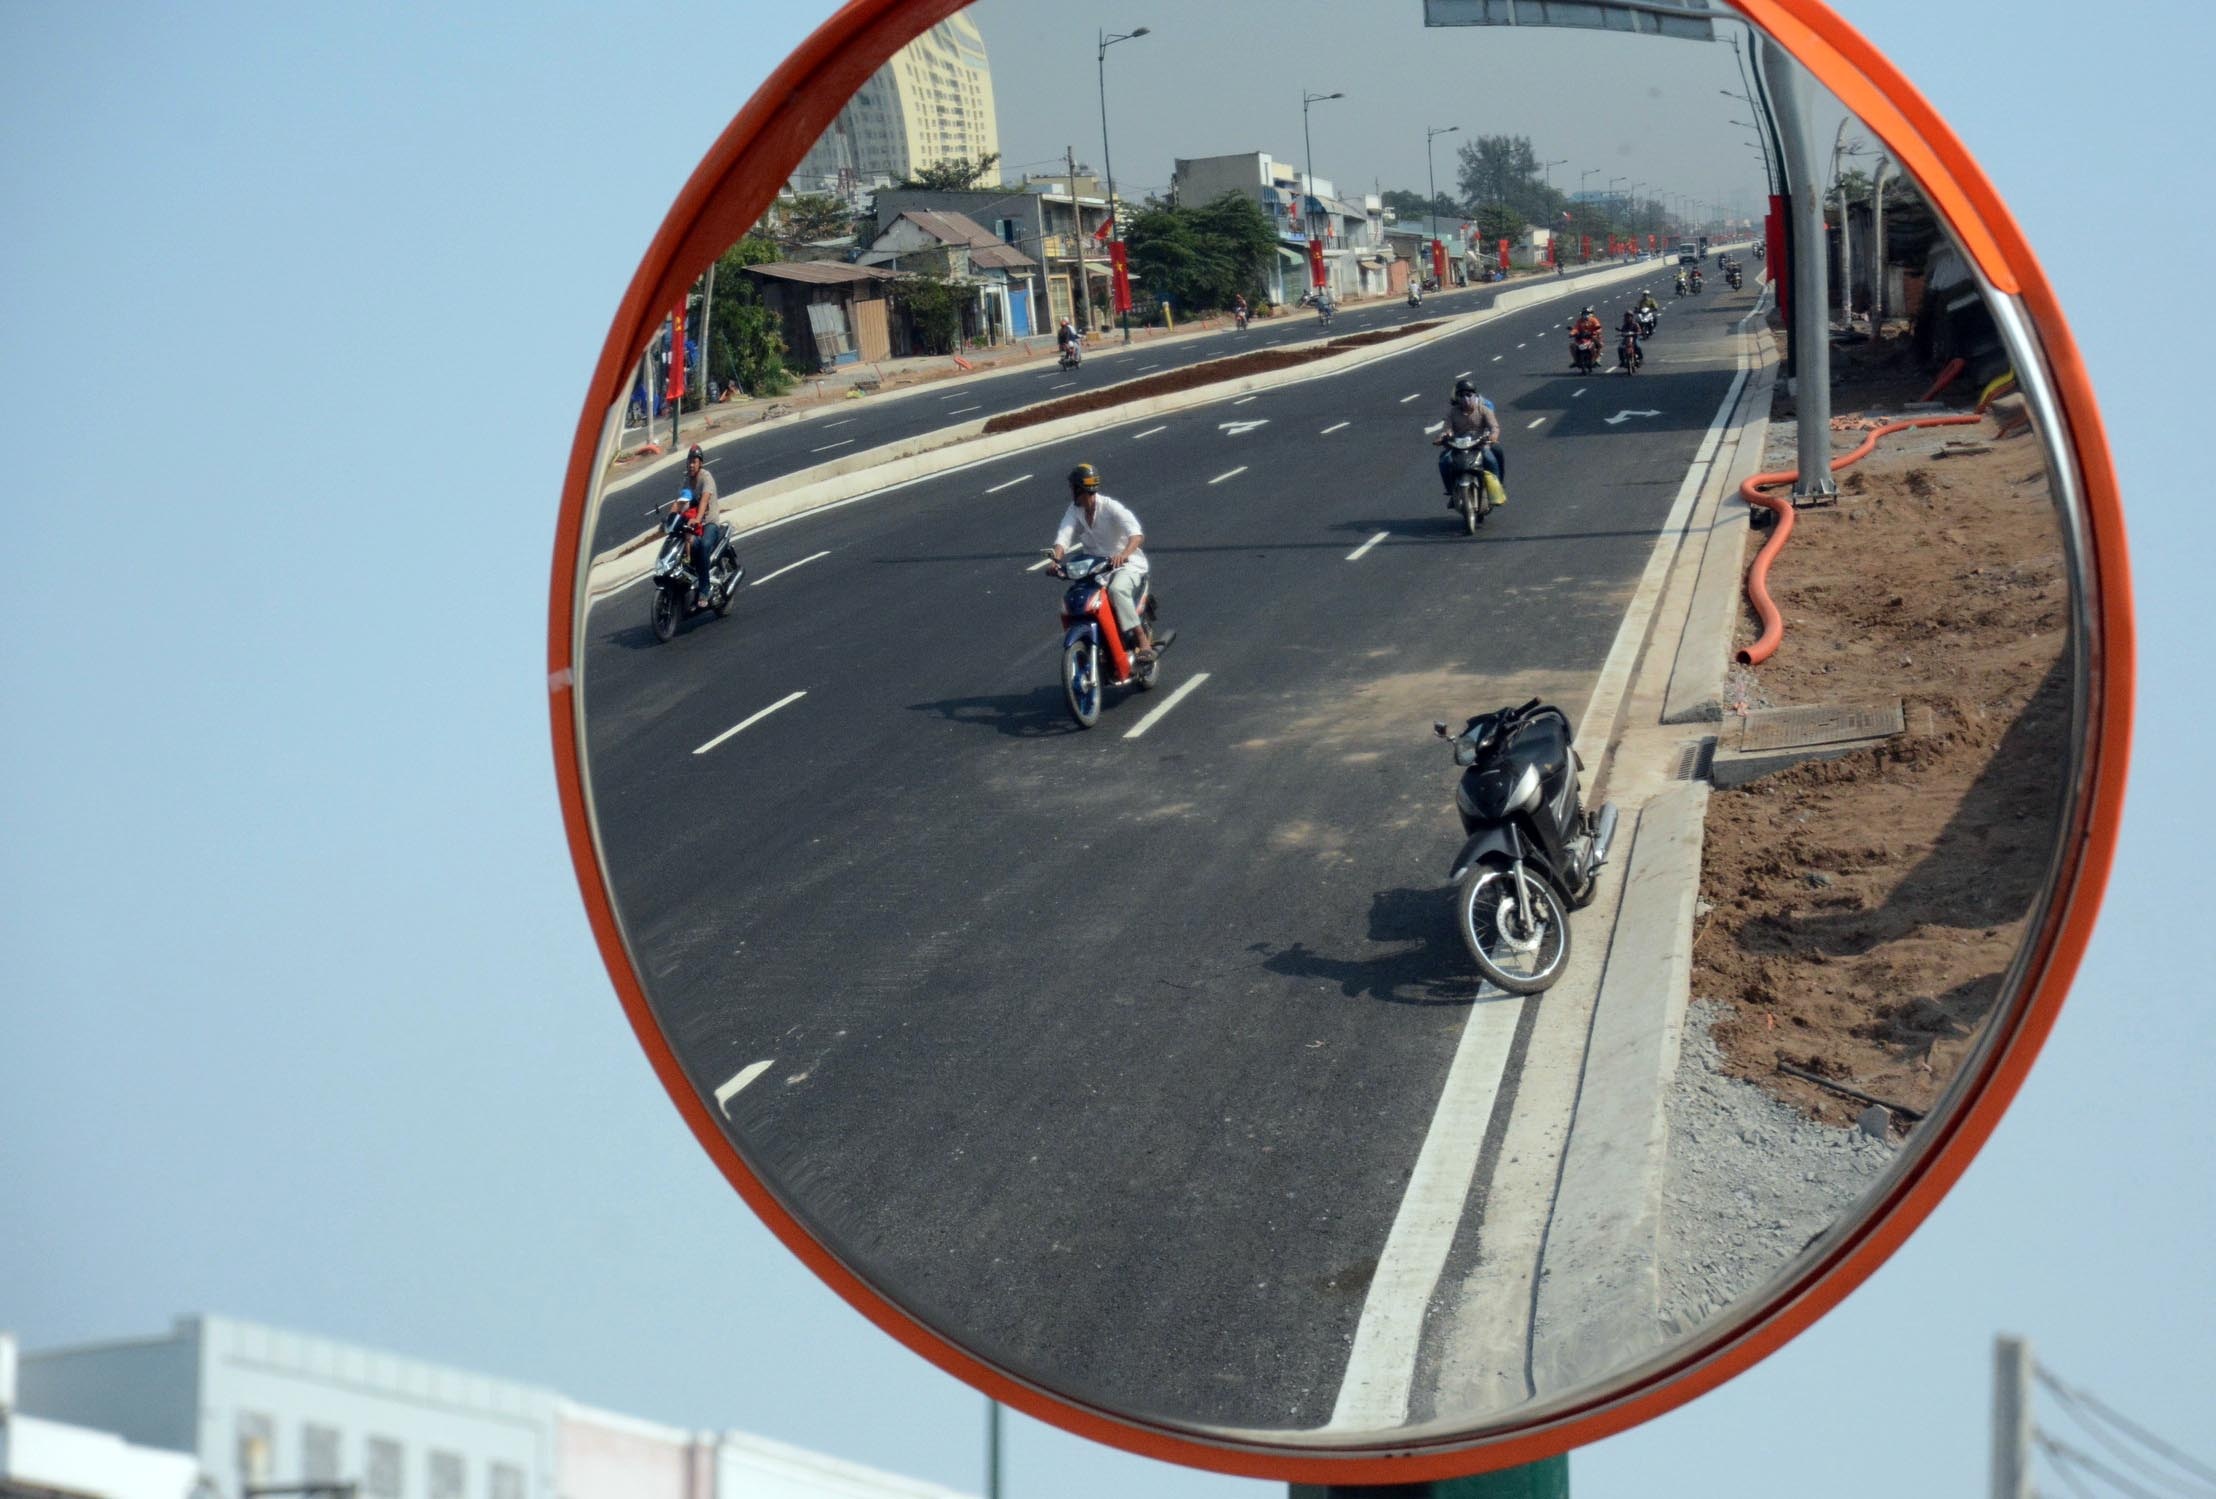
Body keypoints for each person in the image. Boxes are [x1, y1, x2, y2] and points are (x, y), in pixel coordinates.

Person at [1049, 463, 1170, 665]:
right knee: (1078, 596)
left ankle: (1142, 640)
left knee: (1117, 590)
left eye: (1072, 487)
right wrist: (1056, 559)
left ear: (1080, 489)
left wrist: (1123, 555)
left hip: (1125, 565)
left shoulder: (1110, 507)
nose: (1070, 491)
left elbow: (1136, 535)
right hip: (1095, 567)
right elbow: (1064, 535)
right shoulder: (1075, 509)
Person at [1434, 378, 1506, 509]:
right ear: (1458, 398)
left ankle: (1496, 488)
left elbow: (1494, 427)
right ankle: (1452, 491)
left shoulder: (1483, 410)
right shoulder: (1452, 412)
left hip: (1480, 444)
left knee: (1490, 459)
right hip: (1458, 446)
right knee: (1444, 461)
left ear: (1475, 396)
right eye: (1462, 395)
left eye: (1469, 395)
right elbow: (1447, 428)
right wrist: (1444, 436)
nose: (1466, 399)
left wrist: (1493, 436)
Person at [679, 445, 723, 609]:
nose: (691, 465)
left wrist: (697, 519)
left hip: (709, 524)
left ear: (700, 463)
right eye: (689, 461)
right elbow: (681, 503)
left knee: (703, 545)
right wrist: (670, 518)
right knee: (683, 545)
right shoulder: (687, 481)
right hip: (694, 525)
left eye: (694, 461)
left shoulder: (706, 478)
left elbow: (704, 500)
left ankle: (704, 590)